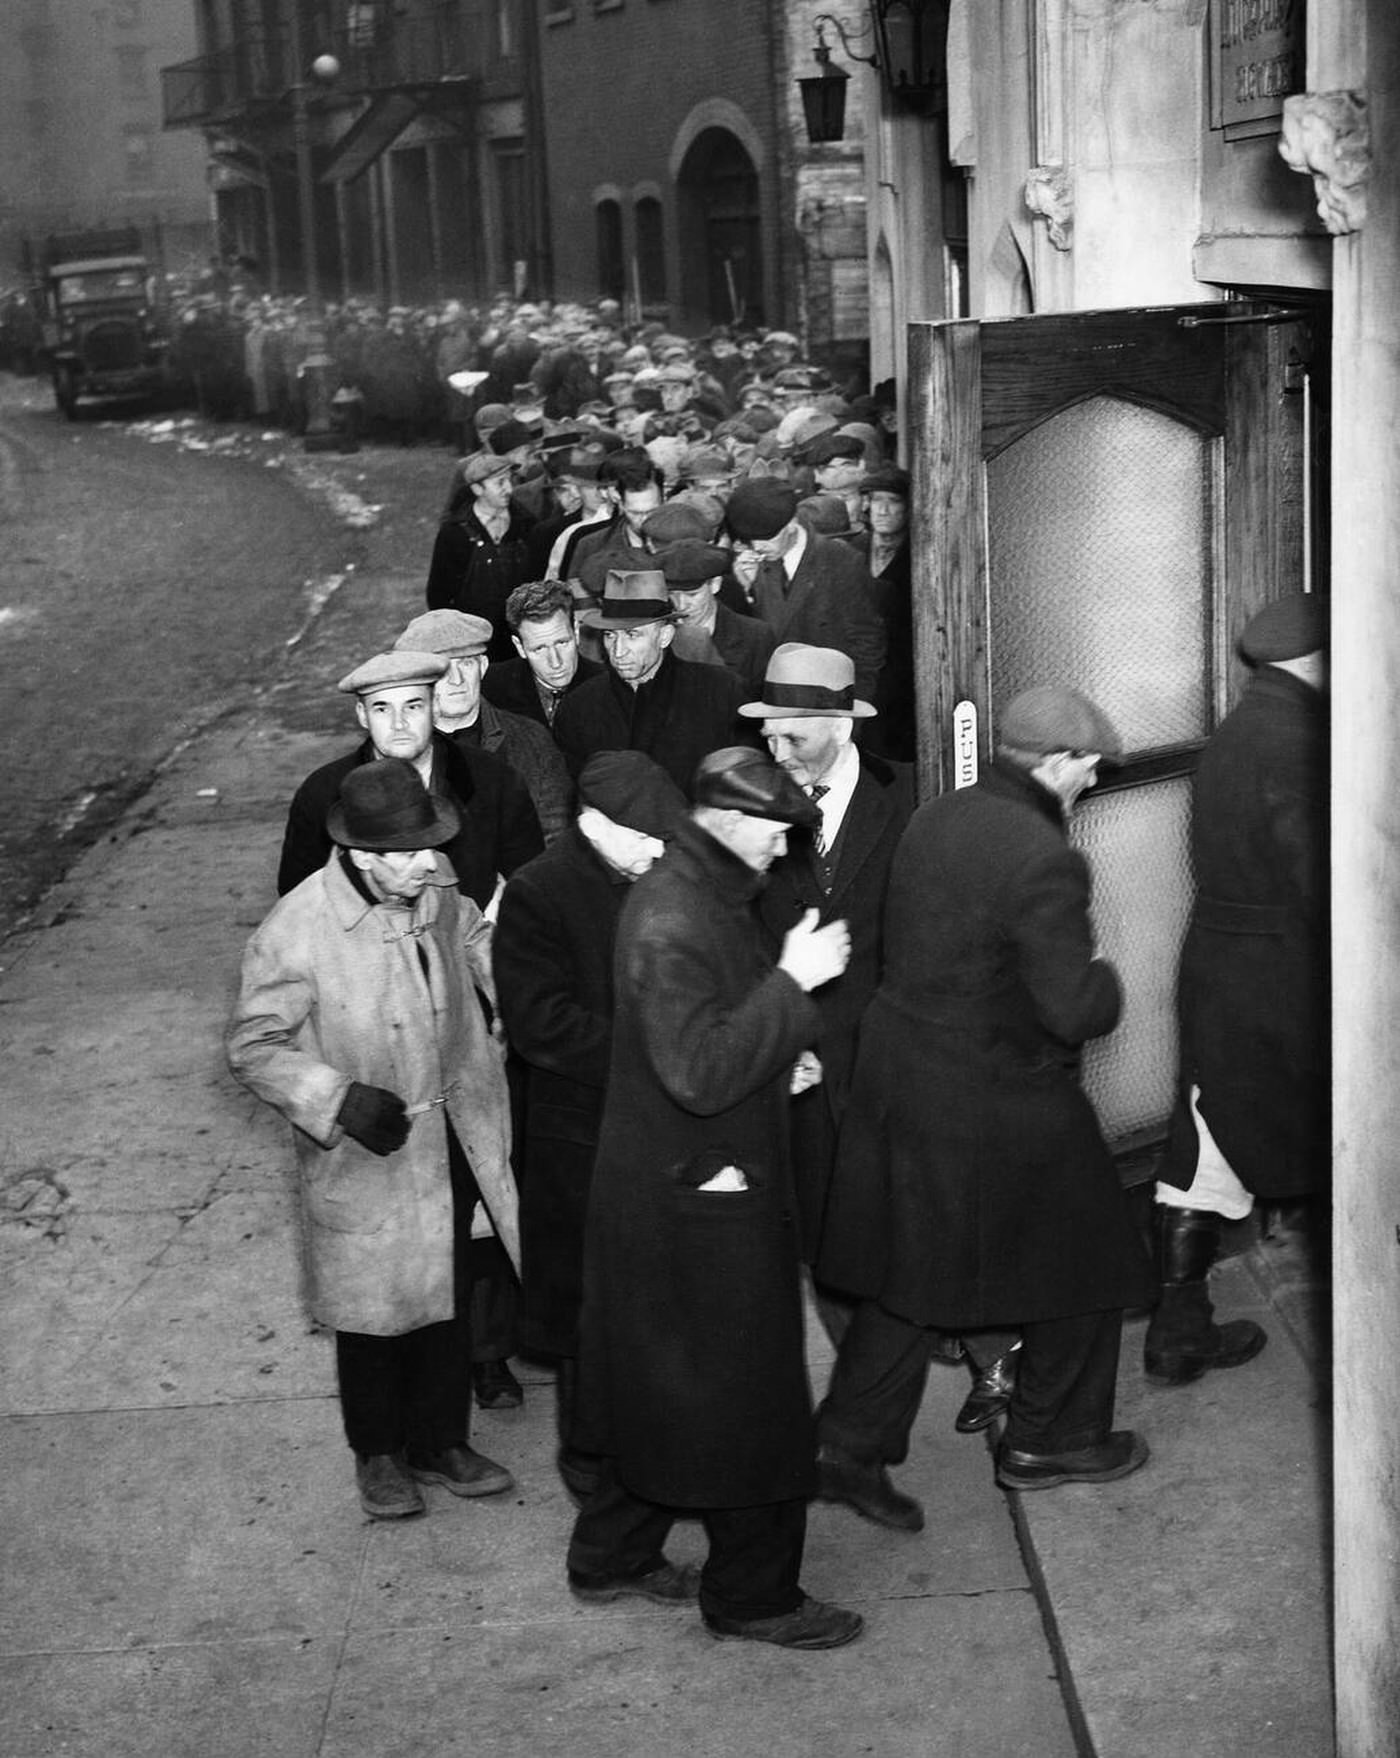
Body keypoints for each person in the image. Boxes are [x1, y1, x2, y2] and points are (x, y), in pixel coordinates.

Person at [815, 685, 1156, 1522]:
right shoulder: (1044, 856)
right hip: (995, 1094)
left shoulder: (939, 815)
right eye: (1087, 767)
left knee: (912, 1275)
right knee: (1086, 1256)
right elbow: (1071, 1007)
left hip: (904, 1080)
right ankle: (1052, 1439)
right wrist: (1110, 978)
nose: (1089, 781)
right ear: (1054, 762)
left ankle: (842, 1447)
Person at [566, 747, 864, 1651]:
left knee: (656, 1384)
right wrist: (794, 983)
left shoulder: (696, 896)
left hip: (668, 1193)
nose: (782, 849)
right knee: (751, 1407)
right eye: (774, 831)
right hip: (703, 1200)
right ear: (728, 821)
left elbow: (700, 1041)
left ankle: (613, 1552)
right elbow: (697, 1073)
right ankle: (755, 1594)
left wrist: (780, 1057)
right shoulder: (674, 917)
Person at [227, 760, 518, 1520]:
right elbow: (254, 1045)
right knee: (373, 1316)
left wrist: (520, 1001)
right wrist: (334, 1097)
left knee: (448, 1293)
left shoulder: (437, 881)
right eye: (408, 852)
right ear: (360, 852)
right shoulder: (295, 930)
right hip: (366, 1151)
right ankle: (379, 1455)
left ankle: (441, 1440)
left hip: (451, 1127)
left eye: (431, 846)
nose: (427, 862)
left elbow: (479, 943)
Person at [1144, 593, 1329, 1385]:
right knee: (1334, 1147)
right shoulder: (1301, 739)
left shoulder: (1236, 729)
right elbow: (1317, 874)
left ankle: (1177, 1332)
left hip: (1217, 964)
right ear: (1321, 657)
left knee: (1204, 1147)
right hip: (1287, 977)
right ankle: (1356, 1373)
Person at [493, 752, 688, 1497]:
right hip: (581, 1147)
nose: (659, 850)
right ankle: (595, 1478)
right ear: (595, 824)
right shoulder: (542, 893)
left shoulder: (655, 873)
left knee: (647, 1319)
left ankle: (646, 1457)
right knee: (588, 1328)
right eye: (645, 836)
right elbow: (542, 1026)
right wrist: (657, 1054)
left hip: (651, 1139)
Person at [742, 645, 914, 1305]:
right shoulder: (752, 807)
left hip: (889, 1069)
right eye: (768, 731)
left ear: (841, 728)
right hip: (803, 1076)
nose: (774, 746)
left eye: (792, 733)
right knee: (828, 1252)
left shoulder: (912, 795)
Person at [276, 650, 542, 909]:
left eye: (413, 706)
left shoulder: (492, 780)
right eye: (382, 709)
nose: (399, 724)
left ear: (435, 707)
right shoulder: (324, 794)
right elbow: (299, 901)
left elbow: (531, 882)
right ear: (361, 715)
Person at [552, 570, 753, 793]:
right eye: (610, 635)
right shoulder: (580, 707)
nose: (618, 652)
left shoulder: (723, 692)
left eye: (632, 634)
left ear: (665, 636)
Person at [395, 609, 571, 844]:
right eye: (442, 670)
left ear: (483, 666)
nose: (457, 680)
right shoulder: (397, 750)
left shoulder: (531, 741)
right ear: (418, 680)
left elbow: (555, 837)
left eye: (466, 664)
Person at [724, 478, 886, 706]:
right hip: (775, 703)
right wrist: (749, 592)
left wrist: (853, 714)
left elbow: (867, 646)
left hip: (828, 705)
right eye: (750, 540)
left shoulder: (840, 562)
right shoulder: (752, 565)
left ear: (792, 523)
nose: (758, 547)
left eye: (767, 538)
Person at [425, 450, 536, 661]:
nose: (509, 489)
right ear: (477, 488)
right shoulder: (455, 533)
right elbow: (438, 596)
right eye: (500, 483)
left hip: (520, 640)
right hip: (474, 645)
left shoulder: (526, 525)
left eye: (510, 481)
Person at [658, 537, 776, 697]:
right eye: (672, 594)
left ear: (715, 584)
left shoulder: (756, 636)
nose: (681, 605)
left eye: (692, 595)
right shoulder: (656, 633)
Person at [482, 579, 604, 730]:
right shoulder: (490, 688)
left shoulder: (610, 687)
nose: (555, 662)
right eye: (539, 649)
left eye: (562, 643)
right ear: (519, 647)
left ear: (576, 632)